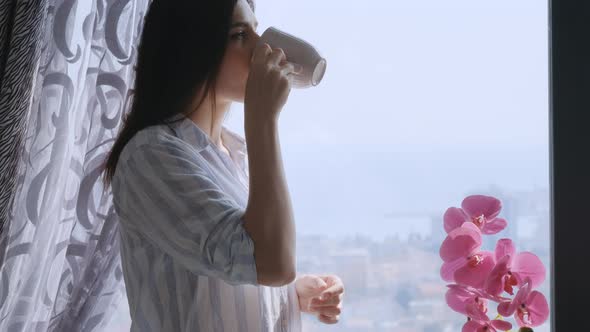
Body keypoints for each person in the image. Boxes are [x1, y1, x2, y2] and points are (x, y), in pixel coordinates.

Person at [100, 0, 344, 330]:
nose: (262, 48)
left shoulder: (233, 154)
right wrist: (262, 120)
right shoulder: (150, 156)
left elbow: (233, 259)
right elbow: (271, 262)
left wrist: (289, 295)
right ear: (190, 49)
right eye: (240, 35)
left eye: (255, 31)